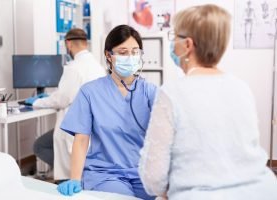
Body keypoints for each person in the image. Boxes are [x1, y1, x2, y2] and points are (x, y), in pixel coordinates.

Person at [139, 4, 277, 200]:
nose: (172, 44)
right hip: (261, 191)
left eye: (174, 37)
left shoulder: (172, 93)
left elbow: (153, 178)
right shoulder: (241, 88)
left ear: (187, 45)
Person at [57, 25, 157, 199]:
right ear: (109, 56)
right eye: (123, 52)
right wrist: (74, 178)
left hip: (144, 173)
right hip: (106, 173)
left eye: (135, 52)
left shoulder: (150, 92)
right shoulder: (90, 92)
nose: (130, 57)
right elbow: (81, 140)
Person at [26, 28, 106, 180]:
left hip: (73, 128)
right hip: (91, 126)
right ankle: (77, 175)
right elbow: (70, 93)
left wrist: (37, 101)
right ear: (85, 43)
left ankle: (70, 177)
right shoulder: (98, 67)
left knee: (40, 146)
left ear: (68, 44)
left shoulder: (74, 68)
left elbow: (62, 100)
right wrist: (50, 96)